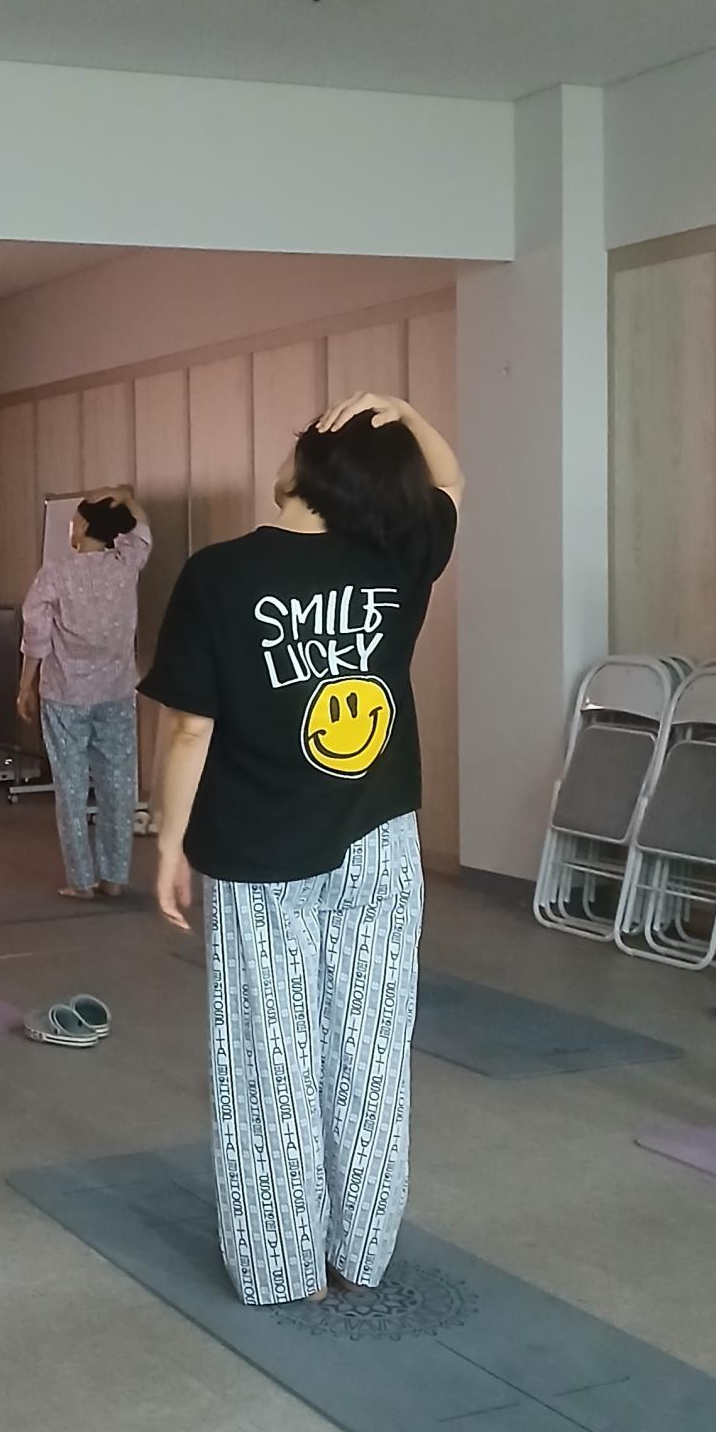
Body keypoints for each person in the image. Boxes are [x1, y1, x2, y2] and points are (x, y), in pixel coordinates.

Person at [143, 391, 461, 1308]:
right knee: (371, 1045)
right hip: (380, 841)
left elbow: (189, 729)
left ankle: (284, 1268)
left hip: (260, 851)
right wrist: (401, 410)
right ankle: (360, 1253)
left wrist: (168, 841)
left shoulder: (219, 575)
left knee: (268, 1055)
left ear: (310, 465)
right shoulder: (395, 556)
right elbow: (451, 481)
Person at [16, 485, 152, 899]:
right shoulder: (125, 564)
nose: (70, 527)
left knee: (71, 788)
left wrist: (25, 685)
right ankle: (114, 877)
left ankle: (81, 881)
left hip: (65, 694)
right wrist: (124, 496)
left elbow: (36, 637)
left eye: (74, 520)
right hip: (116, 691)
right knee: (118, 785)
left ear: (86, 527)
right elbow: (143, 532)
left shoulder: (55, 575)